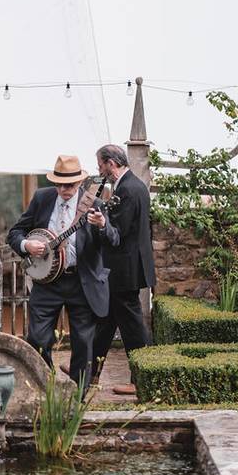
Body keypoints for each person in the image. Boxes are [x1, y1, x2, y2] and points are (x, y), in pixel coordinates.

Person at [7, 154, 119, 393]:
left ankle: (77, 397)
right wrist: (27, 245)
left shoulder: (95, 204)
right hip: (48, 283)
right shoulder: (42, 198)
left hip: (82, 281)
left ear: (79, 182)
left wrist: (101, 226)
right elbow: (15, 232)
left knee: (83, 344)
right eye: (59, 183)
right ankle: (44, 388)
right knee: (36, 339)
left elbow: (113, 240)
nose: (63, 189)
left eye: (69, 184)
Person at [91, 144, 157, 395]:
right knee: (106, 321)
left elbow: (118, 233)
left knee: (133, 327)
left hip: (125, 268)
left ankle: (142, 380)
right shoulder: (130, 186)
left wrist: (101, 222)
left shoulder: (129, 189)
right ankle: (88, 372)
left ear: (111, 163)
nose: (100, 171)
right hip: (124, 266)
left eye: (100, 165)